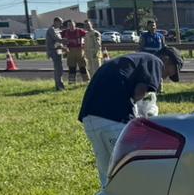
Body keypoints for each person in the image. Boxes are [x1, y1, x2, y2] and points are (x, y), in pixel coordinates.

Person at [78, 46, 184, 185]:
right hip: (113, 116)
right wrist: (139, 118)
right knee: (127, 167)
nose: (165, 77)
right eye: (170, 71)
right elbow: (139, 91)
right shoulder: (155, 61)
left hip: (90, 116)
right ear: (166, 58)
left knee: (106, 170)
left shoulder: (134, 60)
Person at [61, 18, 88, 85]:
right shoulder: (64, 32)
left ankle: (86, 80)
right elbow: (59, 39)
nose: (71, 26)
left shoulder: (80, 31)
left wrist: (84, 44)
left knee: (82, 66)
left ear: (75, 25)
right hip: (70, 51)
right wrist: (63, 48)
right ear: (67, 26)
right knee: (71, 67)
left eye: (72, 25)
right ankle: (72, 81)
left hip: (79, 50)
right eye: (69, 25)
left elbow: (87, 36)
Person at [45, 18, 66, 90]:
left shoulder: (57, 30)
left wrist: (63, 47)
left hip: (58, 50)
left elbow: (59, 42)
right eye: (60, 22)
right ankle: (59, 86)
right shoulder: (51, 29)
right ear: (56, 22)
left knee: (59, 68)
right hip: (54, 51)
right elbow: (57, 39)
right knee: (58, 69)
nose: (61, 24)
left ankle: (59, 85)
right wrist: (66, 40)